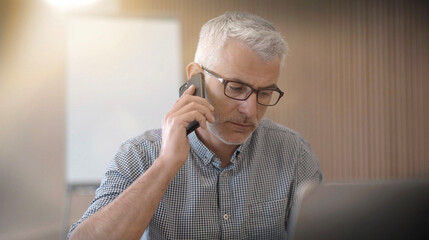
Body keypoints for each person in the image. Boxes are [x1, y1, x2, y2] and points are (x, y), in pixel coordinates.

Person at [68, 12, 322, 240]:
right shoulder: (139, 154)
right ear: (195, 77)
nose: (251, 111)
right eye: (235, 88)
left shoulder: (293, 153)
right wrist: (166, 164)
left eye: (265, 93)